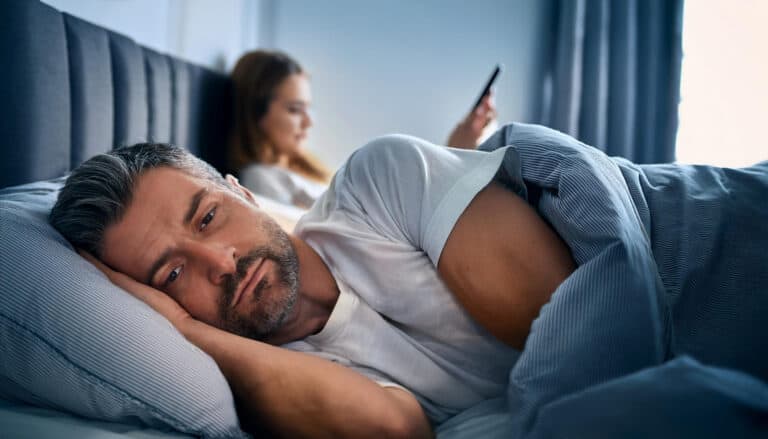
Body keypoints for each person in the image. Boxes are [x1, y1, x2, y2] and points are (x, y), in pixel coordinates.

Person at [50, 126, 575, 438]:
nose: (221, 263)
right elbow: (395, 431)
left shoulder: (378, 183)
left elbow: (570, 327)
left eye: (208, 217)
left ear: (242, 192)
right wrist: (186, 330)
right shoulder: (277, 377)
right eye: (173, 273)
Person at [228, 50, 497, 208]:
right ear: (255, 111)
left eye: (309, 109)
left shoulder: (307, 171)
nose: (308, 122)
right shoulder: (260, 179)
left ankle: (455, 155)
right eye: (295, 110)